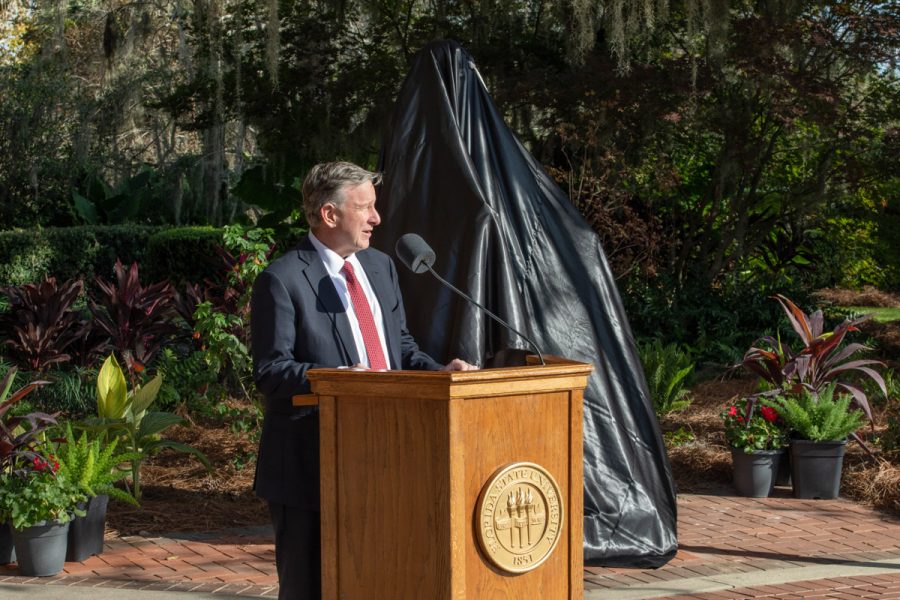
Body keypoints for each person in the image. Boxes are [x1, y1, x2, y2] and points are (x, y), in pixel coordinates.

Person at [250, 161, 476, 599]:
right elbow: (271, 371)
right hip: (310, 466)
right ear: (330, 215)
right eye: (365, 208)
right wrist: (336, 381)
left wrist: (440, 372)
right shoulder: (282, 280)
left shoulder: (380, 267)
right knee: (309, 587)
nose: (377, 218)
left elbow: (400, 350)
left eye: (375, 207)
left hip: (385, 458)